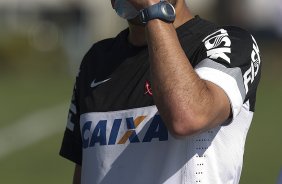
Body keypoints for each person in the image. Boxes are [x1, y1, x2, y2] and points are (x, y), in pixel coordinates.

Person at [59, 0, 262, 183]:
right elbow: (86, 169)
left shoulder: (228, 42)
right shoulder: (97, 60)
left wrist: (153, 10)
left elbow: (188, 117)